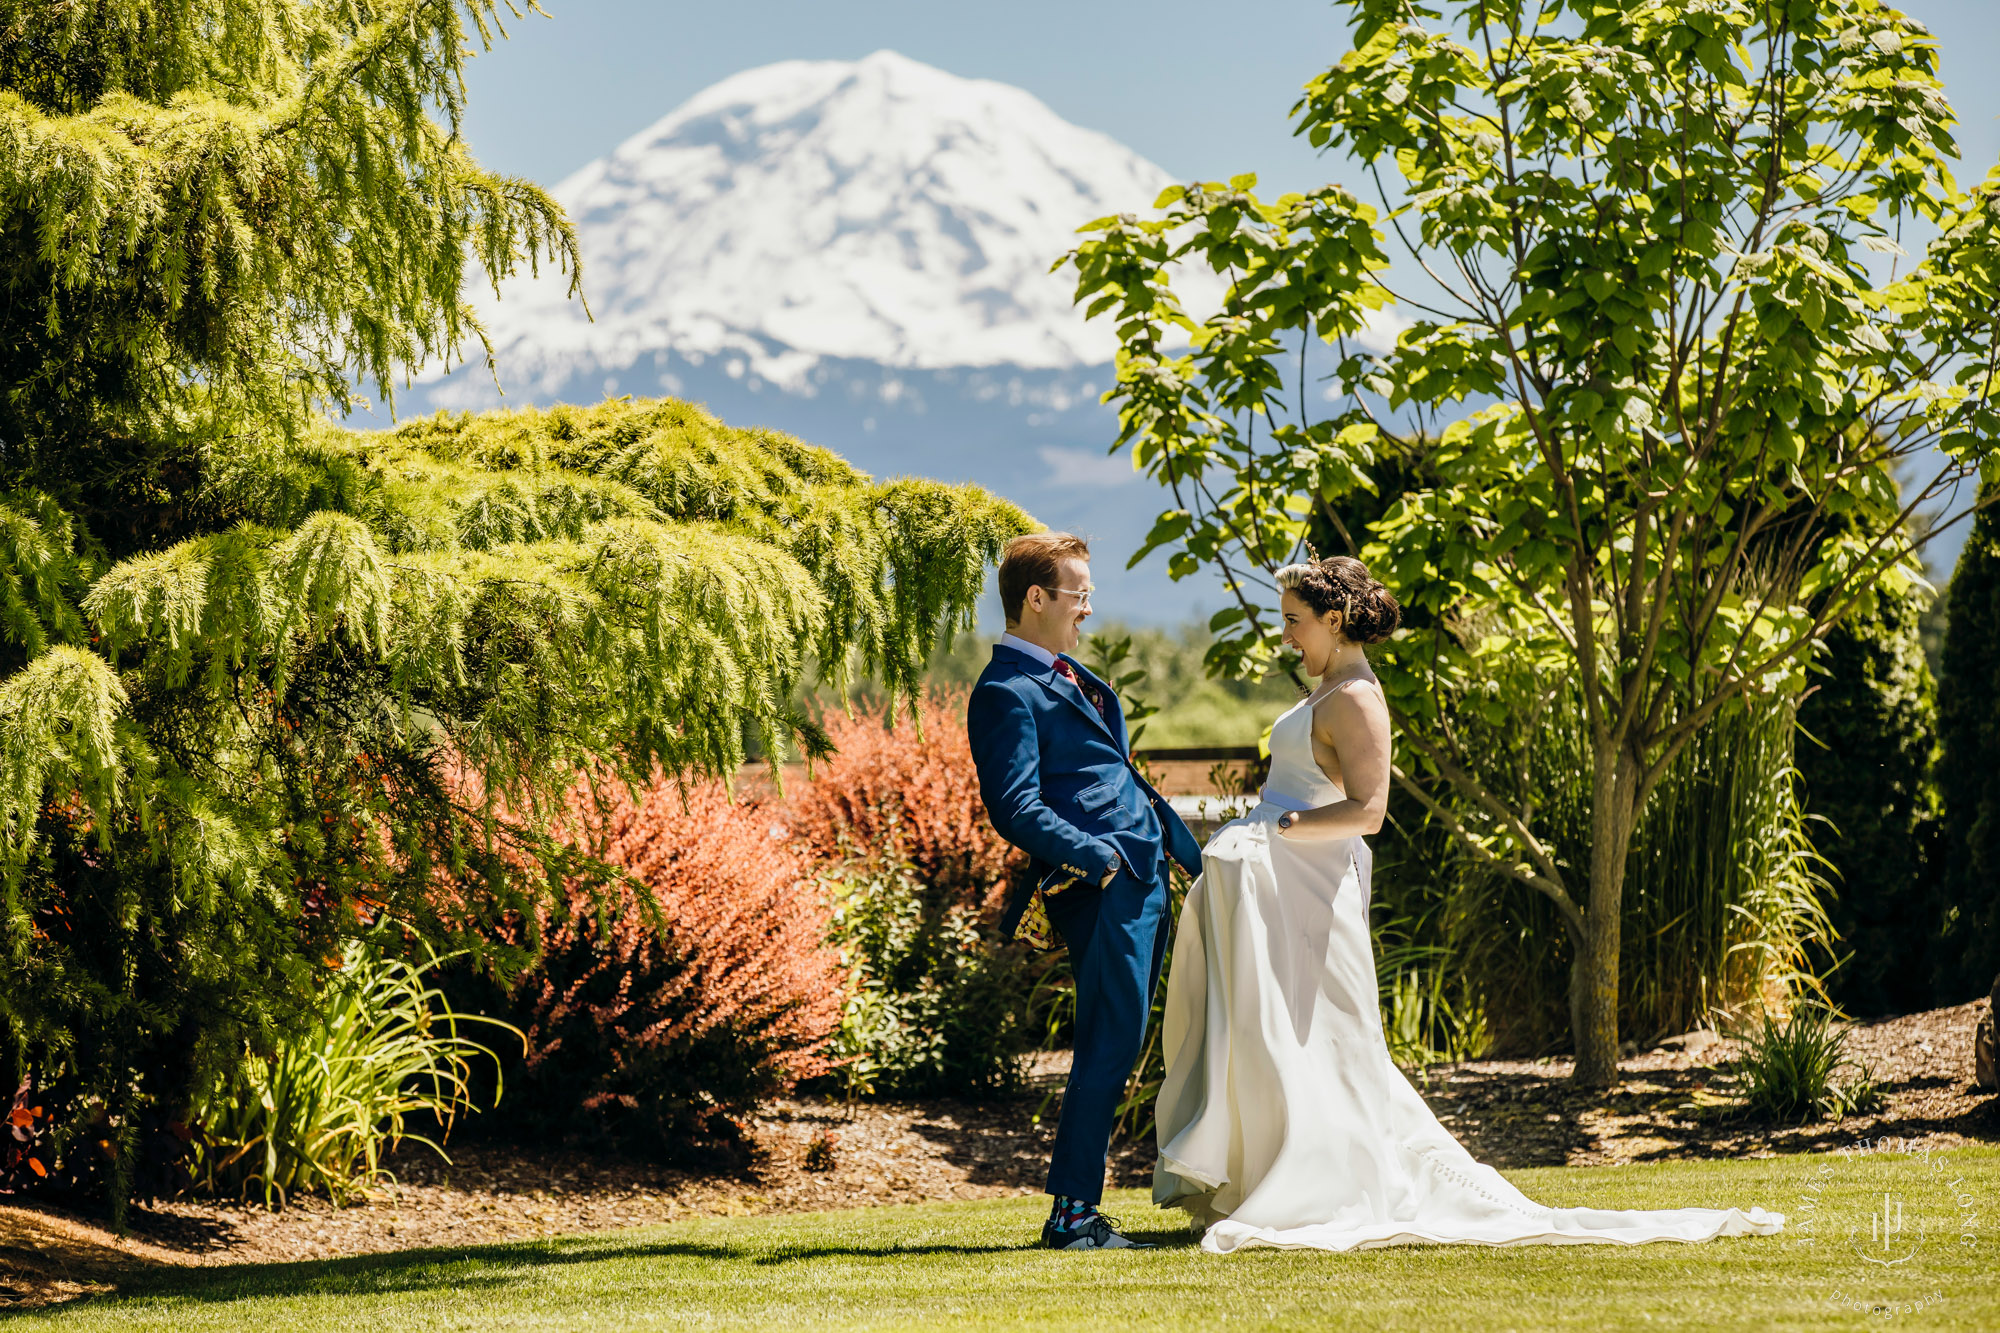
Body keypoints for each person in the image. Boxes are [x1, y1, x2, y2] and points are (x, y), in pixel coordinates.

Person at [1152, 554, 1786, 1253]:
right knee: (1282, 1043)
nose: (1286, 635)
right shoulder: (1325, 689)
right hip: (1283, 892)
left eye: (1295, 621)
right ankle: (1280, 1171)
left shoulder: (1357, 697)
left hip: (1310, 892)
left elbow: (1369, 811)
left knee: (1322, 1041)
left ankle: (1325, 1185)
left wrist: (1282, 828)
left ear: (1334, 621)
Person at [966, 531, 1203, 1251]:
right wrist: (1098, 857)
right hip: (1104, 884)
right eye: (1079, 596)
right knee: (1110, 1040)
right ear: (1035, 598)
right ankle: (1072, 1215)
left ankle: (1077, 1210)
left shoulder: (1067, 675)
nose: (1088, 611)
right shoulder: (1005, 691)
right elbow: (1015, 805)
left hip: (1140, 873)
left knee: (1121, 1039)